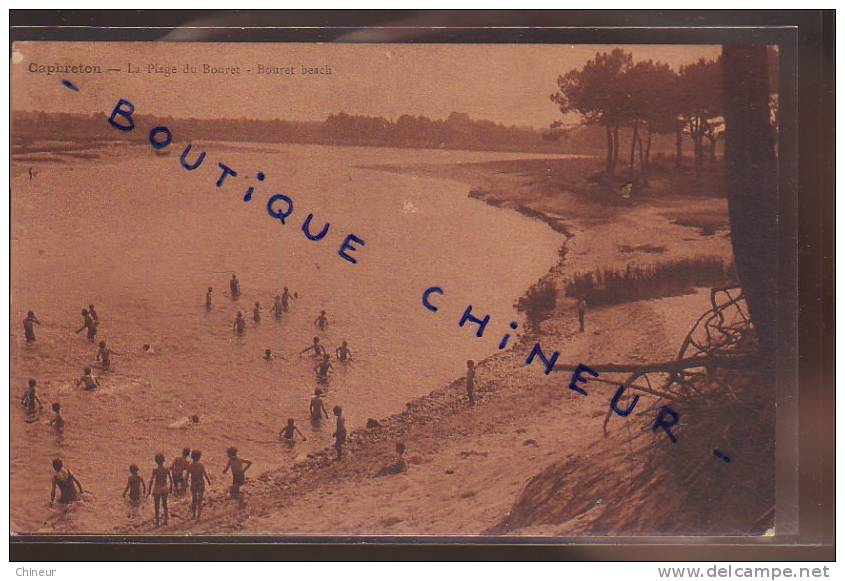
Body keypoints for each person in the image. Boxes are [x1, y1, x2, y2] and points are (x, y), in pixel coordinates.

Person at [147, 453, 173, 527]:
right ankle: (165, 521)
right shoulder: (166, 469)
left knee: (157, 506)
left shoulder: (155, 470)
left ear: (156, 461)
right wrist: (171, 488)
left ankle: (157, 522)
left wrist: (149, 491)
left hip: (157, 488)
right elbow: (170, 480)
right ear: (163, 460)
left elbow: (152, 480)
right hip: (164, 488)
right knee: (165, 505)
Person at [186, 449, 212, 521]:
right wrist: (209, 481)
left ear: (192, 456)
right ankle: (198, 517)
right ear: (199, 457)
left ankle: (193, 515)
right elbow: (205, 474)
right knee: (199, 501)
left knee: (194, 500)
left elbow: (186, 476)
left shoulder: (190, 466)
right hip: (200, 483)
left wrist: (185, 484)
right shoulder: (201, 465)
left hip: (194, 483)